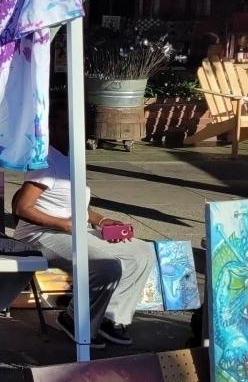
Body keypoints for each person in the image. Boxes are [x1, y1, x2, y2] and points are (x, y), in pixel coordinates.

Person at [12, 103, 155, 347]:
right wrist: (63, 225)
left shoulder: (71, 158)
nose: (72, 132)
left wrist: (101, 221)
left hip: (72, 229)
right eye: (66, 126)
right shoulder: (47, 161)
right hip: (40, 234)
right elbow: (21, 207)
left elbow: (73, 204)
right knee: (106, 266)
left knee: (141, 252)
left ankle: (111, 317)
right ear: (51, 127)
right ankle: (75, 319)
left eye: (76, 126)